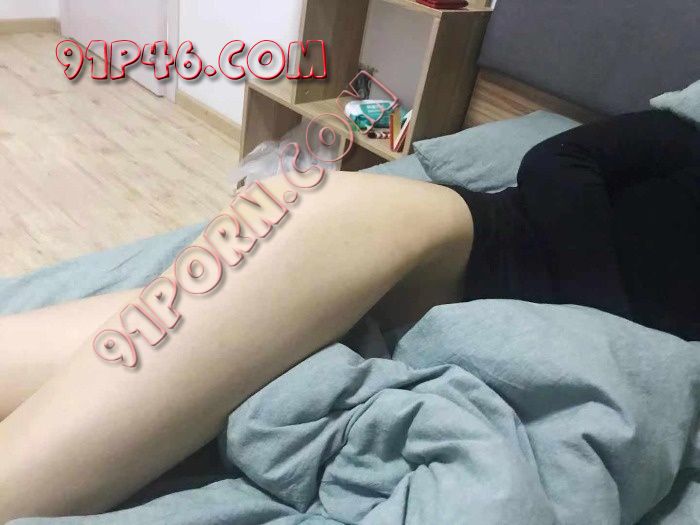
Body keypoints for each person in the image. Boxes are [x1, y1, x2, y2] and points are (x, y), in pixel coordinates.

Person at [0, 110, 697, 521]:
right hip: (428, 239)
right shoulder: (683, 135)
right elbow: (557, 159)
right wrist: (602, 311)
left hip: (420, 318)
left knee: (136, 348)